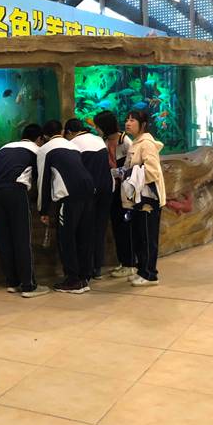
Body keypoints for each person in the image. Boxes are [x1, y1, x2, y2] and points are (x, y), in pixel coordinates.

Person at [0, 123, 49, 299]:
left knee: (3, 238)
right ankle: (28, 285)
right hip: (14, 191)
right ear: (39, 139)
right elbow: (42, 179)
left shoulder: (3, 148)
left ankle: (12, 282)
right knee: (21, 238)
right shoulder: (37, 151)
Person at [37, 119, 95, 293]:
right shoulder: (73, 146)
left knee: (67, 238)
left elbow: (43, 181)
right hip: (88, 191)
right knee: (84, 236)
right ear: (62, 131)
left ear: (44, 136)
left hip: (69, 196)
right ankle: (84, 277)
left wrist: (43, 210)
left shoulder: (45, 150)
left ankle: (73, 280)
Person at [120, 110, 166, 287]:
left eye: (132, 120)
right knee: (140, 235)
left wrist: (132, 176)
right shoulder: (136, 142)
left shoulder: (146, 144)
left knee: (147, 236)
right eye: (127, 119)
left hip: (148, 198)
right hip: (138, 198)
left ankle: (150, 274)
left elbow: (153, 171)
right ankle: (142, 270)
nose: (128, 123)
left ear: (143, 124)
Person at [64, 118, 114, 280]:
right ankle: (97, 267)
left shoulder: (73, 144)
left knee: (85, 230)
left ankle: (86, 268)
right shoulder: (98, 139)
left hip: (89, 191)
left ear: (69, 132)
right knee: (100, 228)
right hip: (106, 188)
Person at [93, 111, 135, 279]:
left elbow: (131, 167)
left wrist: (113, 172)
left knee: (125, 226)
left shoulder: (125, 141)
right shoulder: (102, 141)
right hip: (111, 189)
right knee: (117, 226)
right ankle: (123, 262)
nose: (96, 129)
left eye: (97, 126)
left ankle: (130, 263)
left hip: (124, 190)